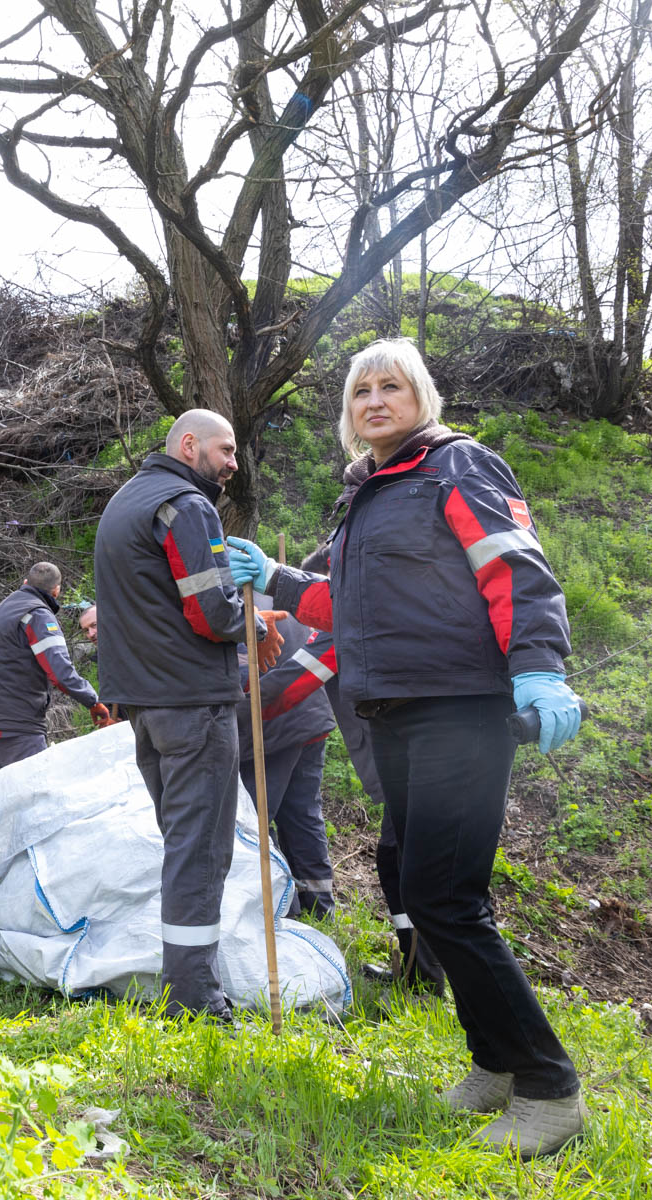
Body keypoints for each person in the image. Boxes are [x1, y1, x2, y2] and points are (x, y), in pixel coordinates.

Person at [228, 339, 586, 1157]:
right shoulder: (371, 496)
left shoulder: (458, 469)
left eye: (392, 386)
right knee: (421, 890)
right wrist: (275, 577)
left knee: (447, 899)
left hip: (460, 706)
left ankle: (549, 1087)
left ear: (422, 397)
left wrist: (538, 668)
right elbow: (343, 605)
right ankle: (494, 1066)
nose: (375, 400)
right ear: (349, 414)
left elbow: (515, 569)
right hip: (391, 712)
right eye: (361, 391)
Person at [92, 409, 277, 1021]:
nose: (232, 464)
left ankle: (188, 980)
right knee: (201, 850)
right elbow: (211, 612)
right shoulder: (187, 506)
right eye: (225, 450)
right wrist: (255, 624)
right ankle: (195, 999)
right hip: (193, 703)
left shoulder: (125, 501)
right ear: (189, 444)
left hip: (145, 705)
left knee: (182, 842)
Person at [298, 543, 444, 991]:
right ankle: (419, 967)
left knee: (408, 863)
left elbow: (294, 683)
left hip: (424, 751)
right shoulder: (364, 606)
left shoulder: (354, 617)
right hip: (407, 753)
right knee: (396, 860)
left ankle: (428, 976)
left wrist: (239, 715)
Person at [235, 601, 335, 919]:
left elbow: (239, 682)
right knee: (303, 814)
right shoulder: (272, 595)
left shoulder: (231, 607)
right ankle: (318, 910)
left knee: (255, 820)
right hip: (308, 717)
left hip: (274, 728)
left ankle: (283, 909)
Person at [0, 562, 113, 770]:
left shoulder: (1, 610)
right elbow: (60, 673)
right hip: (16, 727)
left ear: (25, 582)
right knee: (36, 794)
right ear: (57, 590)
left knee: (9, 797)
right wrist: (93, 701)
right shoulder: (38, 615)